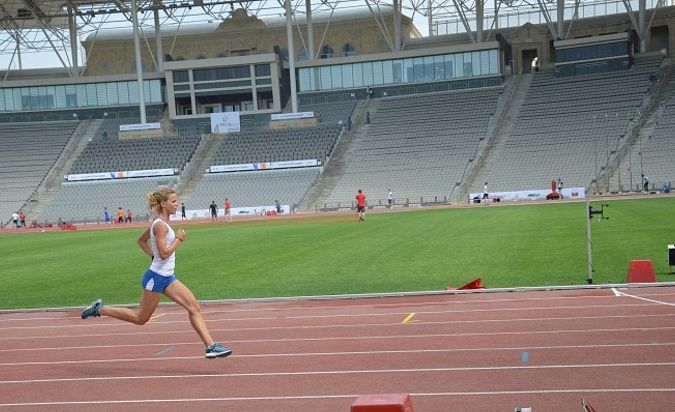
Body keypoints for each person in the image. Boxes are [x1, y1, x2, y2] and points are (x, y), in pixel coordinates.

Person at [81, 186, 232, 359]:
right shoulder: (160, 225)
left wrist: (154, 256)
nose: (177, 204)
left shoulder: (161, 222)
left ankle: (211, 346)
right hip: (156, 278)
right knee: (140, 318)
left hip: (168, 277)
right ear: (162, 204)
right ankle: (100, 309)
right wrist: (178, 240)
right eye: (173, 202)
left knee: (194, 307)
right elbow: (164, 253)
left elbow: (142, 241)